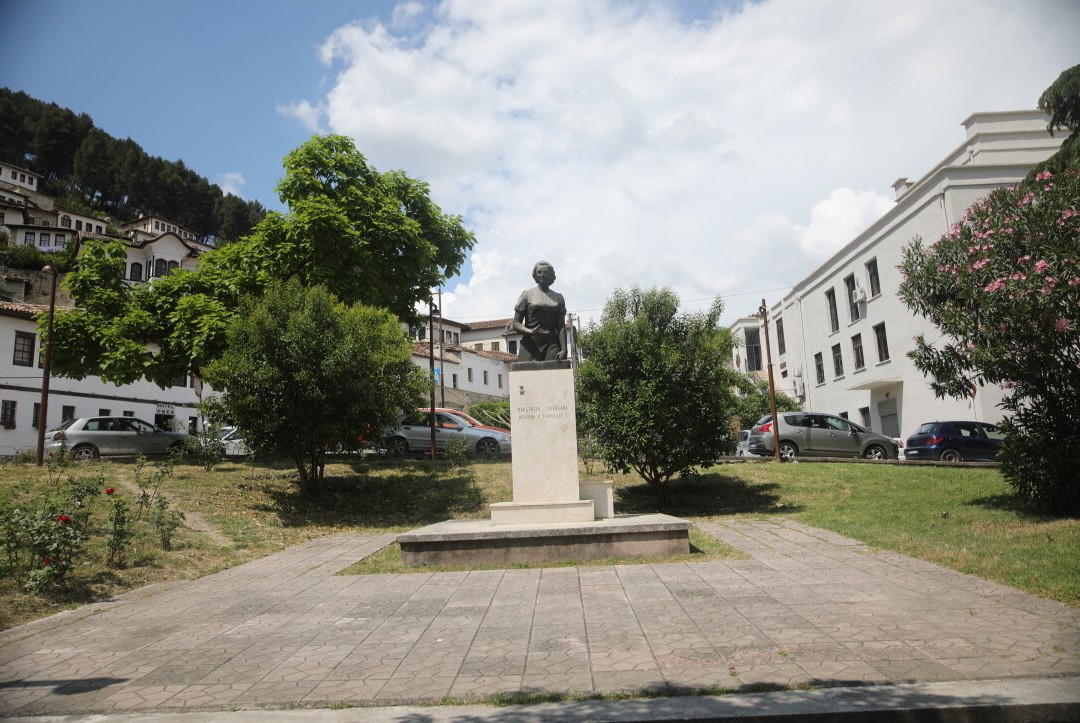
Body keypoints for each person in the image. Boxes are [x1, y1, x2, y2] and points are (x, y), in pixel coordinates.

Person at [508, 260, 567, 362]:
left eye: (546, 272)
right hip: (531, 343)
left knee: (554, 369)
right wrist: (530, 332)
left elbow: (561, 326)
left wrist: (564, 349)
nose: (542, 275)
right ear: (535, 275)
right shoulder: (527, 294)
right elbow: (515, 324)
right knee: (525, 371)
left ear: (551, 275)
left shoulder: (559, 297)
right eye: (539, 272)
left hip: (552, 343)